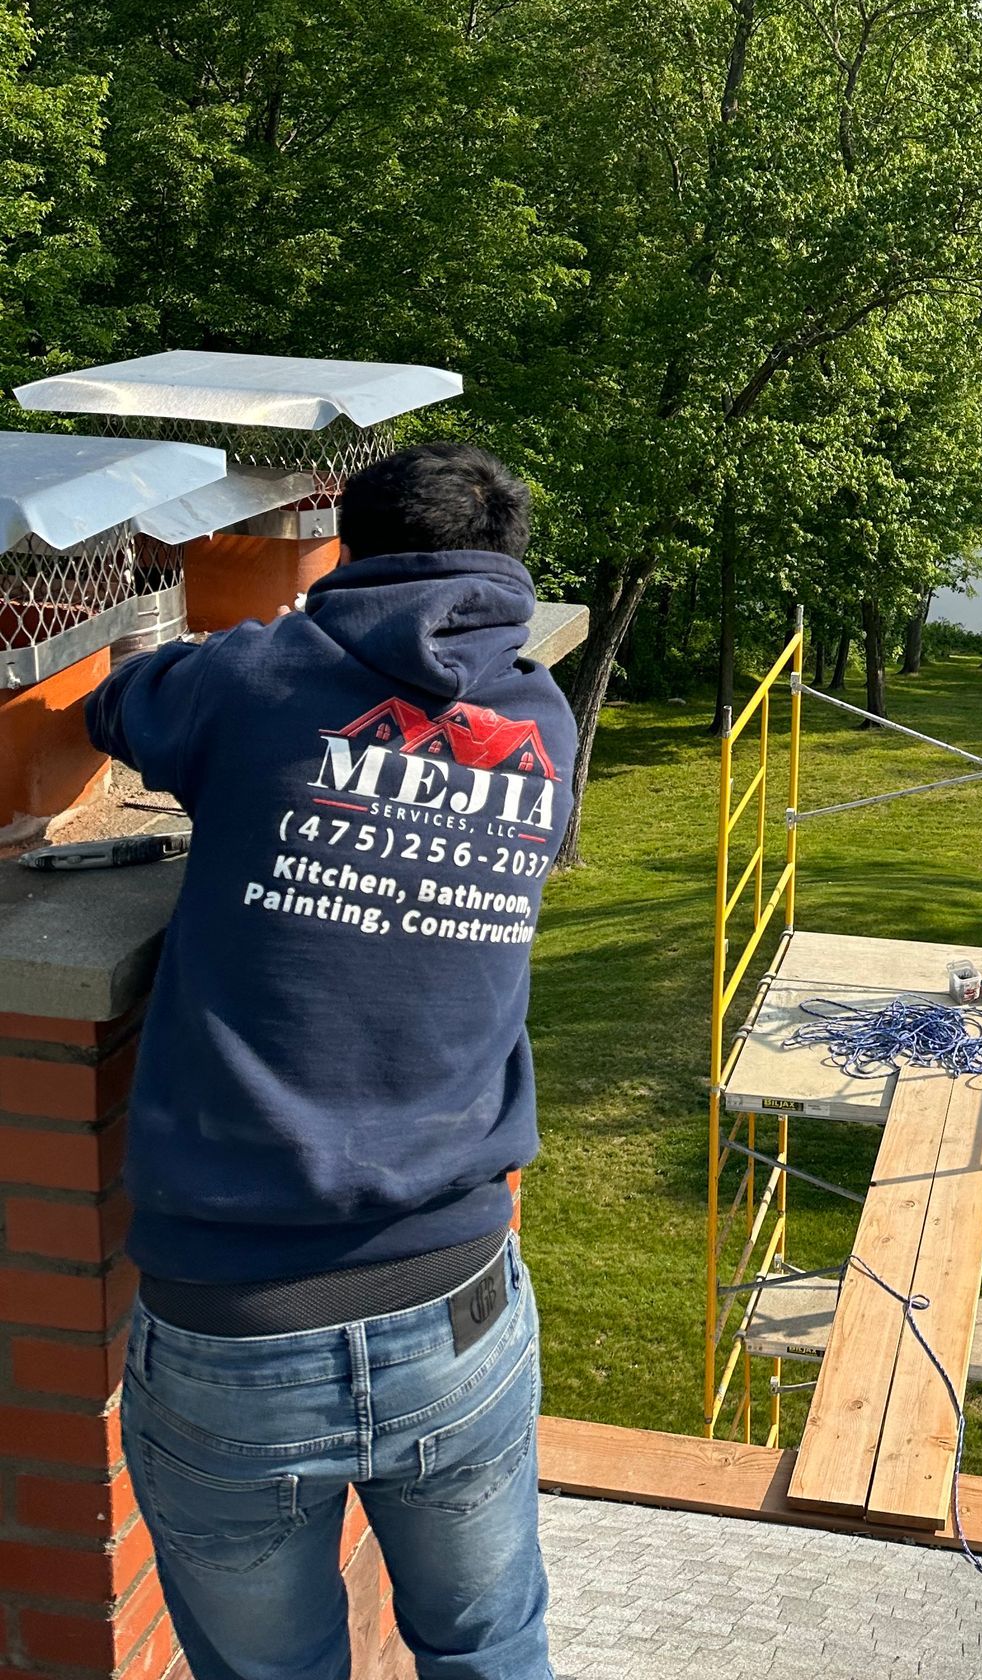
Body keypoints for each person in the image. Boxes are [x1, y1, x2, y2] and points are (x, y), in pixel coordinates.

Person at [87, 441, 577, 1680]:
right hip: (457, 1302)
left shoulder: (259, 682)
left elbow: (114, 703)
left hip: (232, 1330)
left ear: (347, 553)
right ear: (504, 566)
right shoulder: (539, 717)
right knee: (493, 1648)